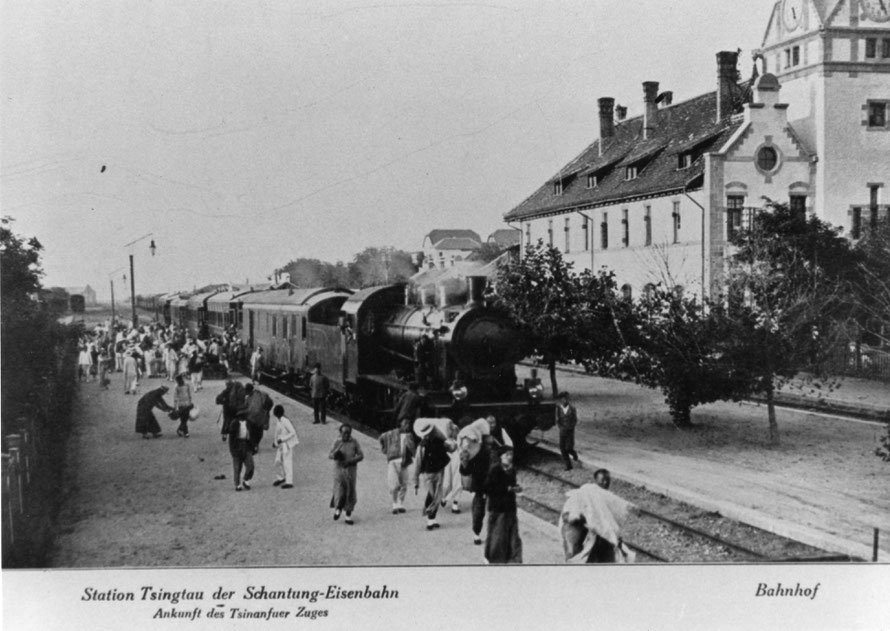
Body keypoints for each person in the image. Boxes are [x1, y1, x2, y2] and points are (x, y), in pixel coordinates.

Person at [558, 469, 636, 563]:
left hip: (586, 526)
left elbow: (613, 504)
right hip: (573, 524)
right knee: (573, 554)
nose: (605, 482)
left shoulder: (604, 495)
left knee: (595, 551)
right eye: (602, 480)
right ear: (596, 480)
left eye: (608, 480)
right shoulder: (590, 490)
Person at [412, 418, 455, 531]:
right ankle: (430, 517)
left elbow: (417, 462)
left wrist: (416, 479)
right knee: (434, 494)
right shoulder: (439, 441)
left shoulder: (422, 445)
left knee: (435, 494)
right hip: (438, 471)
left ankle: (431, 518)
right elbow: (451, 449)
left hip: (430, 472)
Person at [484, 445, 523, 564]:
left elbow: (512, 484)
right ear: (501, 457)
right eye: (507, 455)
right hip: (498, 508)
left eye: (511, 454)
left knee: (513, 534)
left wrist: (516, 488)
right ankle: (493, 559)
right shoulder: (494, 470)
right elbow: (488, 488)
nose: (510, 457)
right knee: (498, 535)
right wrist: (508, 488)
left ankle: (514, 558)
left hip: (510, 507)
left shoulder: (512, 469)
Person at [458, 423, 492, 545]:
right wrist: (464, 463)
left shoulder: (491, 451)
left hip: (492, 484)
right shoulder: (475, 453)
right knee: (479, 510)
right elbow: (465, 471)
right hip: (481, 486)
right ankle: (476, 533)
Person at [218, 380, 252, 491]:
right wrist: (232, 450)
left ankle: (245, 480)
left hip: (245, 446)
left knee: (247, 466)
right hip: (237, 446)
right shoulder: (236, 423)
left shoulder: (247, 423)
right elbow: (232, 439)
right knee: (238, 467)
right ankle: (238, 484)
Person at [329, 424, 363, 524]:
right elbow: (330, 454)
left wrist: (351, 461)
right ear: (340, 433)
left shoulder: (354, 442)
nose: (347, 435)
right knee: (339, 490)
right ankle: (338, 508)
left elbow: (361, 455)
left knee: (350, 491)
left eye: (349, 433)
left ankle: (348, 516)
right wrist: (336, 455)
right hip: (339, 470)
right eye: (344, 433)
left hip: (351, 470)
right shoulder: (337, 442)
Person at [379, 427, 410, 514]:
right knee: (394, 483)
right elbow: (381, 438)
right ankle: (394, 503)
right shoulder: (391, 433)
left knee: (404, 483)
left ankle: (401, 502)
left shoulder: (409, 435)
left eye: (408, 423)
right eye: (404, 422)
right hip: (393, 460)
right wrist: (385, 449)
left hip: (404, 461)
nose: (406, 425)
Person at [238, 383, 272, 454]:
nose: (246, 393)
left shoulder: (257, 395)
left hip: (256, 418)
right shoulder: (250, 397)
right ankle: (254, 446)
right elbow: (246, 406)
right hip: (255, 419)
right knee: (255, 433)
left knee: (256, 433)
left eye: (246, 391)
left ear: (249, 390)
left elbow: (268, 404)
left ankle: (254, 446)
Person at [271, 404, 299, 489]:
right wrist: (275, 443)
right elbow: (277, 434)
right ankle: (281, 477)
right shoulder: (279, 421)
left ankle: (289, 482)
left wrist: (282, 439)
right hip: (282, 445)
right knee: (277, 461)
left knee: (287, 462)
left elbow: (293, 432)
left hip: (287, 445)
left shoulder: (285, 421)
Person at [556, 391, 580, 470]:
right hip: (562, 431)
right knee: (562, 448)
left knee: (568, 448)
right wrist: (560, 427)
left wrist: (571, 427)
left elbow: (575, 419)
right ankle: (568, 465)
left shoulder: (572, 408)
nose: (564, 401)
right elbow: (557, 420)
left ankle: (574, 453)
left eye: (566, 399)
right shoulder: (559, 409)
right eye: (562, 399)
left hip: (570, 431)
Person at [172, 373, 193, 438]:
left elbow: (189, 394)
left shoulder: (186, 385)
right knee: (184, 419)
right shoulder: (177, 386)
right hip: (181, 404)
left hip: (186, 404)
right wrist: (175, 406)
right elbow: (175, 397)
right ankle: (185, 432)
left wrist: (190, 402)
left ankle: (181, 430)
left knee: (185, 418)